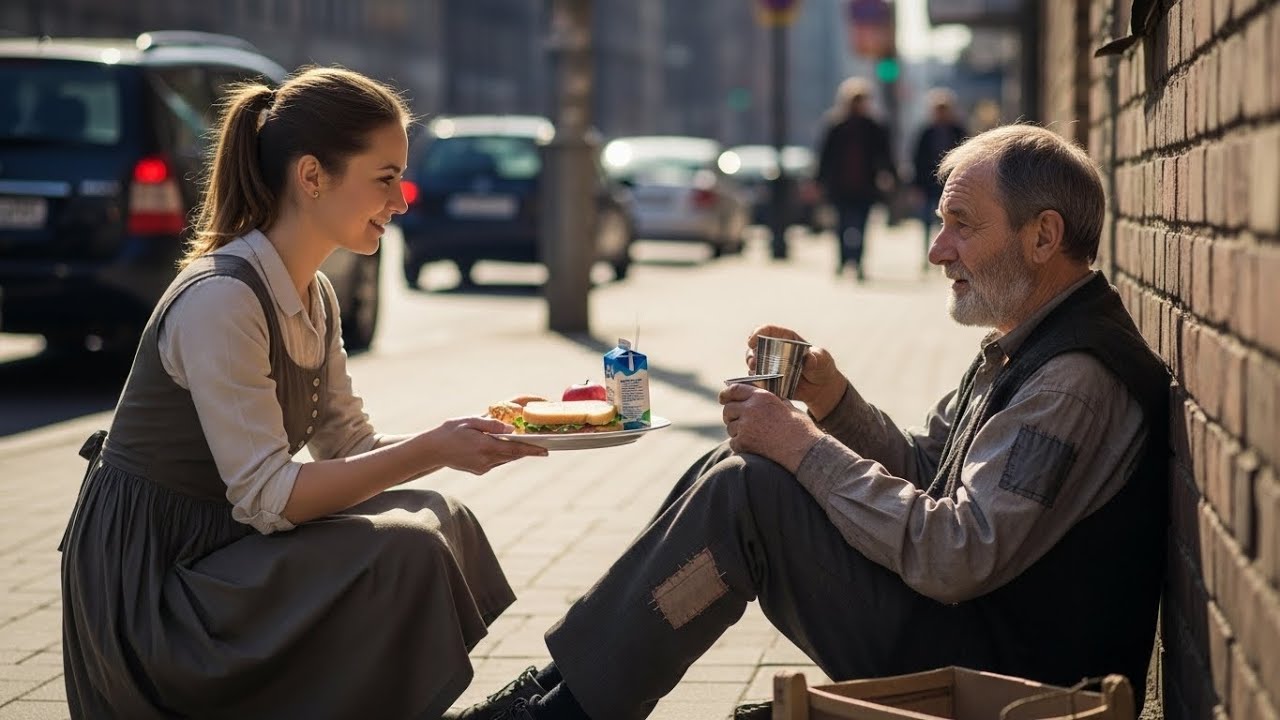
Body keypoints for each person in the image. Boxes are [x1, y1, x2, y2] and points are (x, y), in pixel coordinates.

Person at [455, 124, 1170, 720]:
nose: (936, 250)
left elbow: (955, 554)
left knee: (752, 490)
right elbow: (930, 474)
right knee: (737, 472)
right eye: (939, 222)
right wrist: (835, 405)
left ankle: (561, 707)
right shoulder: (1027, 341)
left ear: (1043, 237)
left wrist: (801, 445)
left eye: (961, 225)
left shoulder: (1073, 379)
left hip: (1010, 681)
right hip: (973, 631)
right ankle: (561, 691)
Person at [58, 67, 548, 719]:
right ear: (312, 176)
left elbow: (351, 446)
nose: (401, 202)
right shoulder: (223, 300)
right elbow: (269, 498)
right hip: (152, 592)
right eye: (384, 178)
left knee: (435, 511)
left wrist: (465, 438)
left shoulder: (312, 293)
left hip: (220, 549)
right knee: (403, 549)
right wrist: (433, 446)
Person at [814, 77, 895, 281]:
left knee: (861, 226)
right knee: (842, 226)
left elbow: (885, 155)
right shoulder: (836, 126)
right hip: (840, 186)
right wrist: (818, 181)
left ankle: (857, 263)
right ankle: (843, 261)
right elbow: (825, 156)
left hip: (865, 187)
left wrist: (891, 176)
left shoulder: (874, 127)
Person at [911, 88, 967, 272]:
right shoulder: (926, 132)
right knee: (927, 222)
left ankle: (952, 255)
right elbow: (917, 160)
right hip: (929, 185)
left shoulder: (958, 131)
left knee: (952, 223)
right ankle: (929, 254)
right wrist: (916, 185)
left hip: (953, 185)